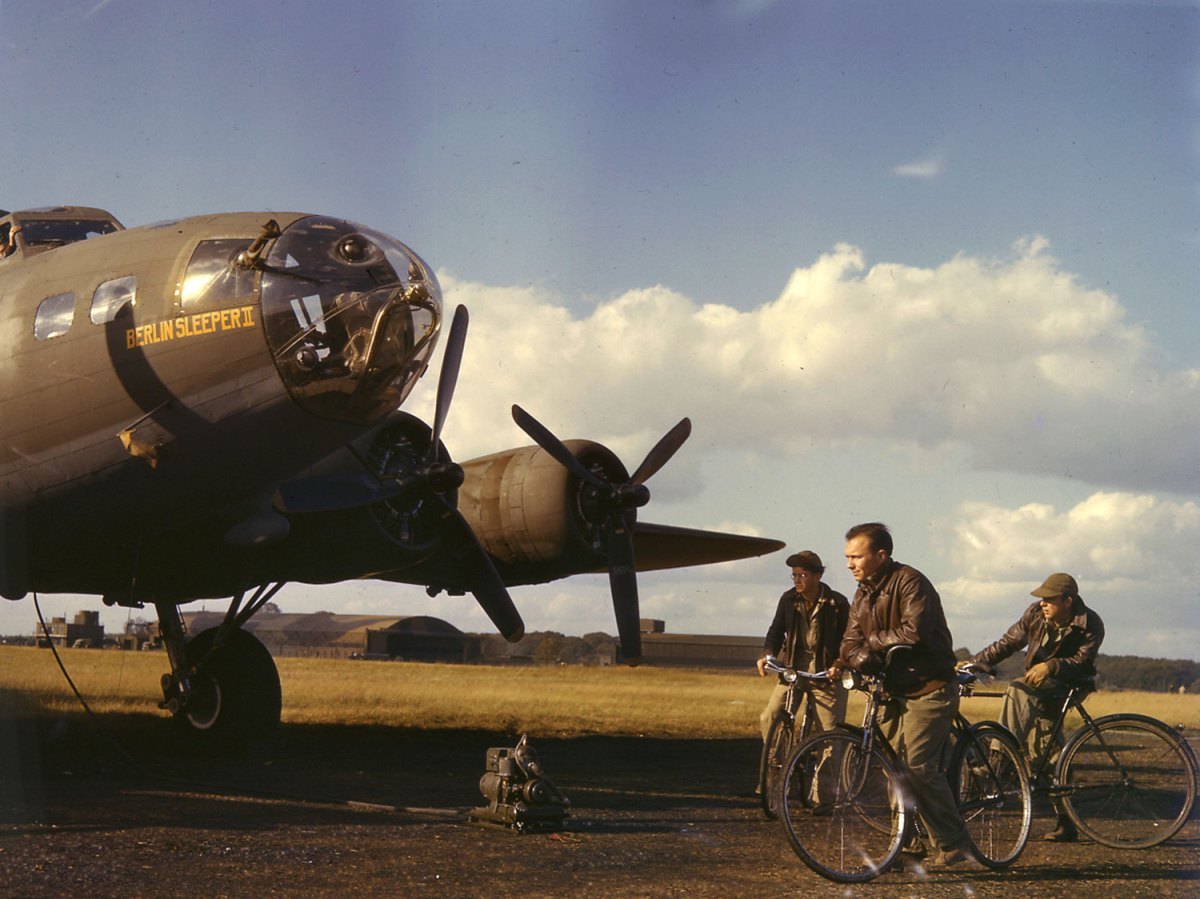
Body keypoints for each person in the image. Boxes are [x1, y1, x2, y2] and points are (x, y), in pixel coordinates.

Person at [831, 522, 971, 868]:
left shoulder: (911, 581)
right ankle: (905, 845)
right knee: (894, 770)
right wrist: (858, 654)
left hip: (929, 687)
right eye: (847, 557)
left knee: (918, 767)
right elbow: (848, 643)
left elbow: (913, 631)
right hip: (892, 691)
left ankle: (955, 843)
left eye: (856, 556)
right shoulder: (862, 593)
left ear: (881, 555)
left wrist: (869, 646)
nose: (850, 564)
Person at [963, 572, 1104, 842]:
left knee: (1016, 689)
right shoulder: (1035, 614)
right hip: (1039, 685)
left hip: (1069, 684)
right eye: (1041, 599)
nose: (1042, 604)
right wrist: (974, 662)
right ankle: (1067, 823)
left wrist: (1051, 666)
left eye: (1049, 599)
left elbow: (1084, 663)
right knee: (1049, 755)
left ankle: (1000, 759)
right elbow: (1009, 643)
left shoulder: (1090, 623)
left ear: (1068, 601)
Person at [756, 550, 850, 747]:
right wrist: (767, 654)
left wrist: (838, 664)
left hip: (826, 676)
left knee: (829, 735)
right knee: (770, 716)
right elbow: (776, 631)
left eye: (802, 575)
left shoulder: (838, 603)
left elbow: (849, 640)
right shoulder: (788, 599)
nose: (797, 580)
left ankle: (825, 779)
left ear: (818, 576)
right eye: (794, 575)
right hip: (794, 671)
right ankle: (778, 769)